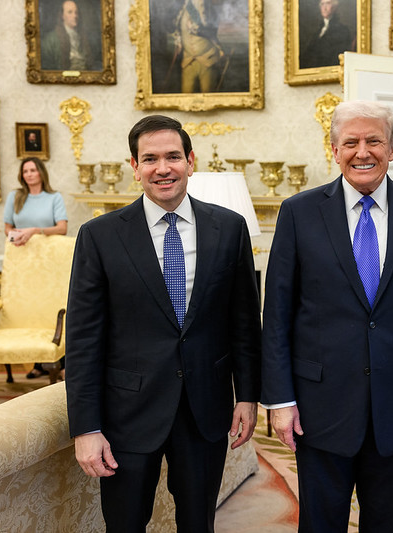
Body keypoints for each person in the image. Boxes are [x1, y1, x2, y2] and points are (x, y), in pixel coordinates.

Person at [262, 100, 393, 532]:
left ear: (392, 148)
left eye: (374, 140)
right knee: (321, 524)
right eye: (350, 142)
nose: (362, 152)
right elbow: (276, 316)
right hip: (319, 407)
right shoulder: (298, 212)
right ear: (334, 150)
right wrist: (280, 401)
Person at [65, 115, 261, 531]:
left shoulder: (229, 228)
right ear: (134, 167)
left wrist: (247, 396)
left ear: (190, 161)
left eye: (173, 156)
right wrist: (86, 428)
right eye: (150, 159)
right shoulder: (99, 236)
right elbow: (82, 341)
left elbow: (243, 323)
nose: (163, 168)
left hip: (205, 410)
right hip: (127, 415)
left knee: (198, 523)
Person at [3, 157, 69, 379]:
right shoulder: (15, 197)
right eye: (25, 171)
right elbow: (7, 227)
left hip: (50, 260)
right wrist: (16, 236)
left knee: (49, 306)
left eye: (33, 170)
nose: (29, 174)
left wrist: (34, 231)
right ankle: (38, 364)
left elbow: (62, 228)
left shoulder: (53, 197)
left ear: (41, 172)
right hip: (23, 259)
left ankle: (60, 361)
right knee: (30, 306)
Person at [171, 0, 227, 93]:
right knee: (187, 94)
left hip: (207, 59)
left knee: (208, 93)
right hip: (188, 61)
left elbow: (210, 29)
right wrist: (179, 42)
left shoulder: (207, 7)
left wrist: (194, 27)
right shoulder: (183, 8)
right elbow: (177, 29)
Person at [41, 0, 100, 71]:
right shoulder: (51, 39)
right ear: (62, 16)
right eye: (70, 12)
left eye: (76, 12)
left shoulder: (83, 37)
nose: (75, 16)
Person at [300, 0, 351, 69]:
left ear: (335, 6)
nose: (324, 8)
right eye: (322, 4)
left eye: (328, 3)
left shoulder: (342, 30)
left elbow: (337, 57)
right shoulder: (318, 31)